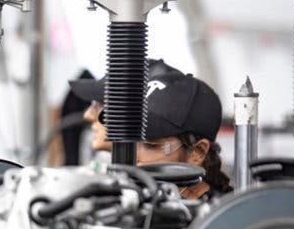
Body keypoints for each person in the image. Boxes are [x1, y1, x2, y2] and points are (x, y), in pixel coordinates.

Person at [70, 59, 232, 199]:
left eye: (150, 145)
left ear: (197, 153)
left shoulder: (216, 220)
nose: (132, 158)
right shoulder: (150, 200)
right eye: (132, 142)